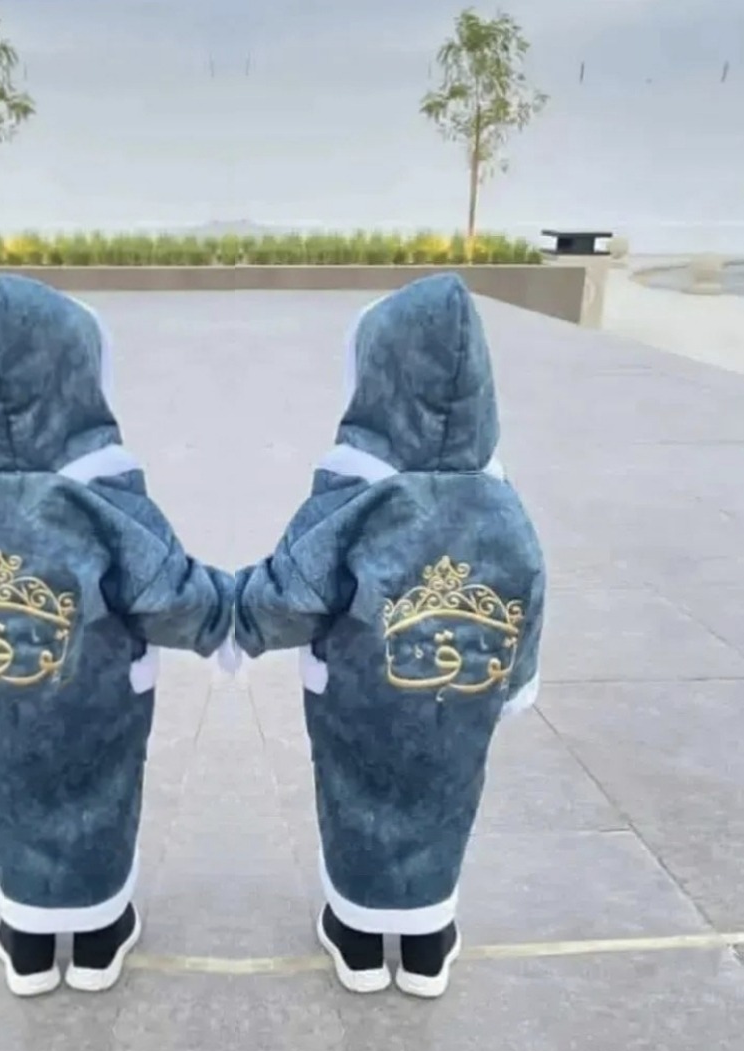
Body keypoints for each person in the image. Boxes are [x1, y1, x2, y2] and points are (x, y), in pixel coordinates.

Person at [0, 274, 235, 997]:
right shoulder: (102, 495)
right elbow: (164, 585)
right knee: (99, 793)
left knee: (7, 795)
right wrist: (221, 622)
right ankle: (98, 935)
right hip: (98, 690)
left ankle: (26, 939)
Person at [234, 273, 546, 997]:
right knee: (446, 796)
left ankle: (358, 937)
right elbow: (528, 584)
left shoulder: (353, 495)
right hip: (462, 688)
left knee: (357, 793)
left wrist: (239, 622)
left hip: (359, 691)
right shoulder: (499, 501)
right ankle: (429, 940)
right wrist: (514, 679)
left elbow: (292, 588)